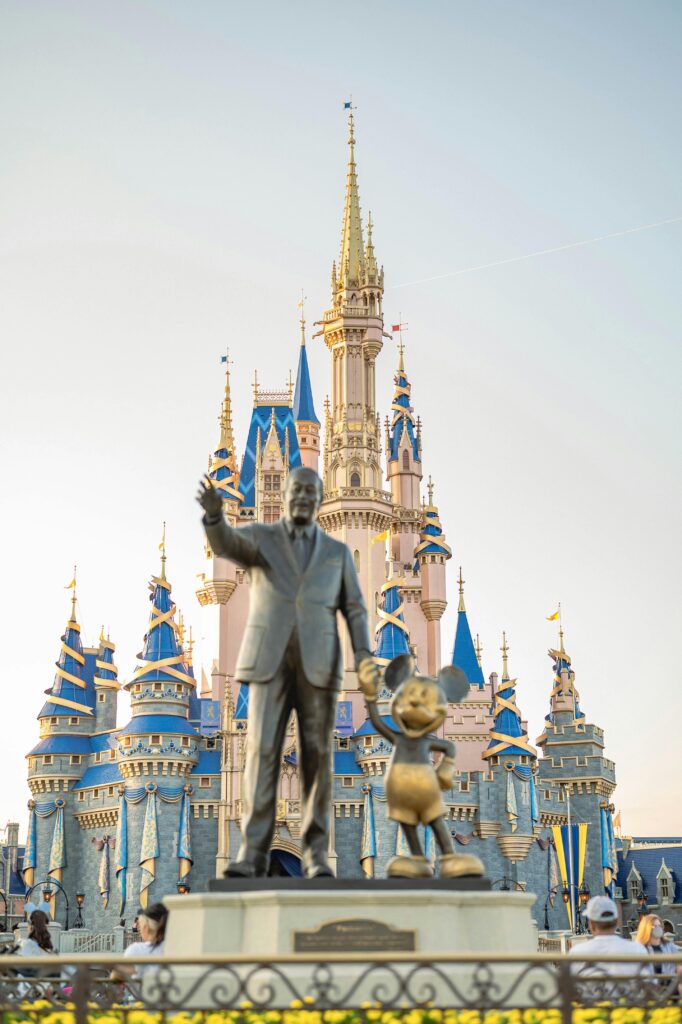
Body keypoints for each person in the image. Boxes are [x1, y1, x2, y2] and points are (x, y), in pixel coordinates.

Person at [197, 467, 379, 878]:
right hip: (269, 662)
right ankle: (252, 852)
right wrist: (213, 517)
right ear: (286, 496)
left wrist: (365, 655)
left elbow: (354, 607)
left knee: (317, 757)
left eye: (308, 492)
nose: (300, 497)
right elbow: (227, 543)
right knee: (260, 753)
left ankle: (315, 856)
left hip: (318, 664)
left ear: (318, 500)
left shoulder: (335, 553)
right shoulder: (262, 539)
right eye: (294, 490)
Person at [569, 896, 651, 999]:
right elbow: (649, 985)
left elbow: (571, 990)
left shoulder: (577, 952)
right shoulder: (638, 950)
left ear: (591, 924)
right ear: (616, 922)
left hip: (591, 1011)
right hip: (628, 1009)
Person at [118, 903, 167, 979]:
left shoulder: (136, 950)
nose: (139, 930)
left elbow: (116, 977)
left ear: (146, 927)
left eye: (140, 925)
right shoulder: (176, 948)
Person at [637, 913, 682, 989]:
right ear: (646, 928)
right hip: (648, 987)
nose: (658, 928)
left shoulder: (669, 946)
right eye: (654, 926)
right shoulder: (639, 947)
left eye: (659, 926)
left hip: (669, 986)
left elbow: (679, 967)